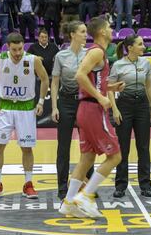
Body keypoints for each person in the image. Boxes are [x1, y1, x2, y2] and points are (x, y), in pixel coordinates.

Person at [58, 17, 125, 218]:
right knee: (115, 156)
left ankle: (68, 203)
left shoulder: (97, 52)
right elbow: (79, 75)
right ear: (102, 32)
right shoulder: (97, 51)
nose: (112, 30)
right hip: (93, 109)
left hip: (86, 109)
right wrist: (101, 97)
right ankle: (86, 196)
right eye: (110, 27)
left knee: (87, 158)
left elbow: (92, 80)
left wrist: (110, 87)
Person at [0, 32, 49, 200]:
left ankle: (28, 184)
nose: (17, 53)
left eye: (20, 49)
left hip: (26, 107)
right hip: (5, 107)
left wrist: (41, 102)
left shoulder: (33, 60)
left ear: (24, 46)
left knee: (27, 148)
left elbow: (44, 79)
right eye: (14, 49)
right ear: (8, 47)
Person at [108, 35, 151, 198]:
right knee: (123, 147)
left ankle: (145, 185)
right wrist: (114, 109)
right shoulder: (118, 65)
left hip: (142, 105)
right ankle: (120, 185)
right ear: (130, 47)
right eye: (140, 44)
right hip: (124, 105)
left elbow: (148, 85)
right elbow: (109, 88)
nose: (143, 47)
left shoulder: (146, 63)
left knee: (144, 147)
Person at [50, 21, 93, 200]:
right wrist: (54, 107)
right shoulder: (61, 56)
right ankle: (62, 185)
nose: (86, 34)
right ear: (73, 34)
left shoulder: (90, 54)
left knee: (88, 144)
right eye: (82, 32)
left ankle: (89, 186)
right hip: (66, 102)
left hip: (84, 101)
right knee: (64, 146)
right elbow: (54, 82)